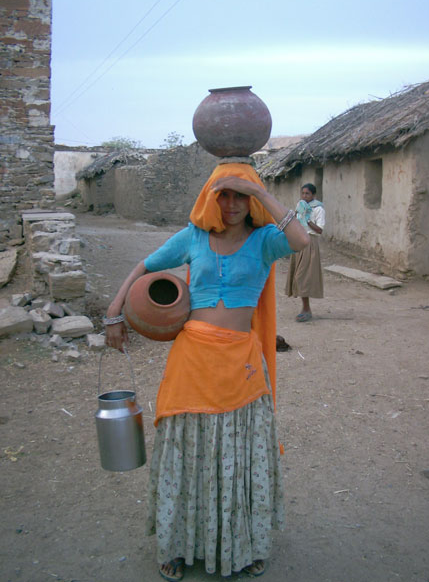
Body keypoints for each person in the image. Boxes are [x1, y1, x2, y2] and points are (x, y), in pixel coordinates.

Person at [104, 162, 309, 581]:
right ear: (210, 201)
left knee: (240, 450)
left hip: (241, 362)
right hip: (192, 359)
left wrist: (258, 190)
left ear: (252, 201)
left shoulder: (265, 240)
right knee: (187, 448)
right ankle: (178, 545)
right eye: (223, 195)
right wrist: (113, 312)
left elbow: (301, 239)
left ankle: (245, 542)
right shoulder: (193, 238)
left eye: (240, 196)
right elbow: (144, 266)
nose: (232, 204)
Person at [285, 183, 325, 322]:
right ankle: (305, 308)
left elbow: (319, 230)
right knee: (297, 275)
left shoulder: (318, 209)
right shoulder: (300, 206)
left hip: (309, 243)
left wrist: (307, 219)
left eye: (307, 194)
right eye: (303, 193)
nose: (304, 196)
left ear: (313, 195)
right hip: (298, 242)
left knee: (302, 276)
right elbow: (295, 221)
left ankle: (306, 309)